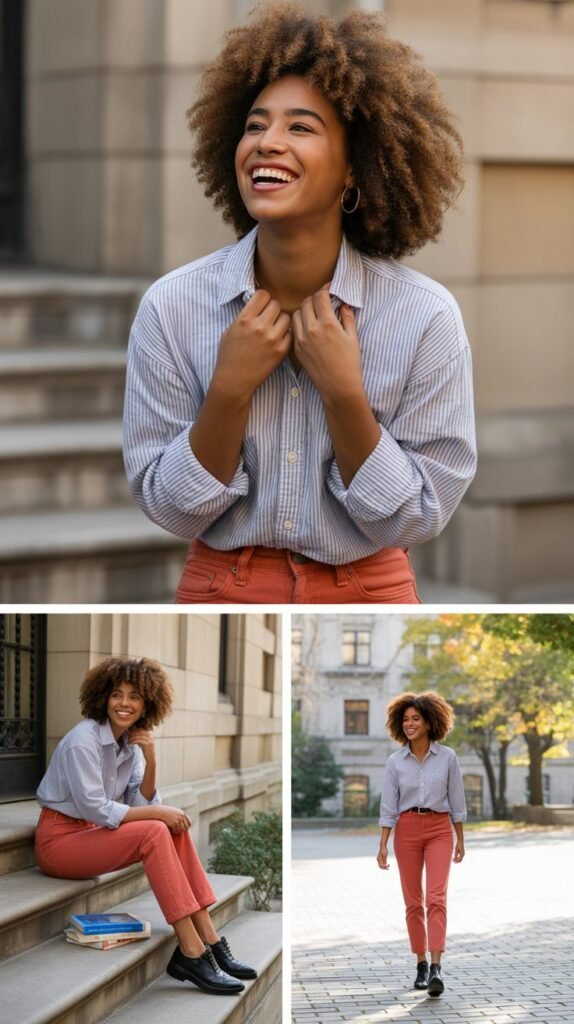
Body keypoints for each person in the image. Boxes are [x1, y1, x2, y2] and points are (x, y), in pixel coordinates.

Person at [123, 1, 477, 604]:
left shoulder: (424, 317)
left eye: (301, 128)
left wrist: (344, 393)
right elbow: (170, 508)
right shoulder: (172, 306)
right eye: (256, 125)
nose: (268, 143)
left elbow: (419, 514)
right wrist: (229, 390)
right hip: (221, 584)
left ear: (354, 169)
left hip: (370, 588)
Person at [35, 655, 257, 995]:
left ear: (147, 703)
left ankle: (211, 940)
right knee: (157, 826)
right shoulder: (84, 741)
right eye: (117, 694)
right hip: (60, 844)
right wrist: (159, 814)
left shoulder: (131, 743)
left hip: (93, 836)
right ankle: (191, 951)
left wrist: (151, 758)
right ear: (103, 697)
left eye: (134, 696)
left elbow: (141, 803)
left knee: (171, 826)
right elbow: (96, 808)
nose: (124, 703)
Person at [377, 691, 466, 996]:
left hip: (440, 829)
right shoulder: (395, 762)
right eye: (405, 719)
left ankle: (437, 968)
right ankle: (421, 964)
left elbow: (457, 801)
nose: (410, 724)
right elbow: (388, 806)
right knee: (414, 902)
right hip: (407, 830)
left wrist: (460, 840)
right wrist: (383, 845)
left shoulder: (448, 758)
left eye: (416, 718)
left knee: (436, 898)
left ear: (430, 722)